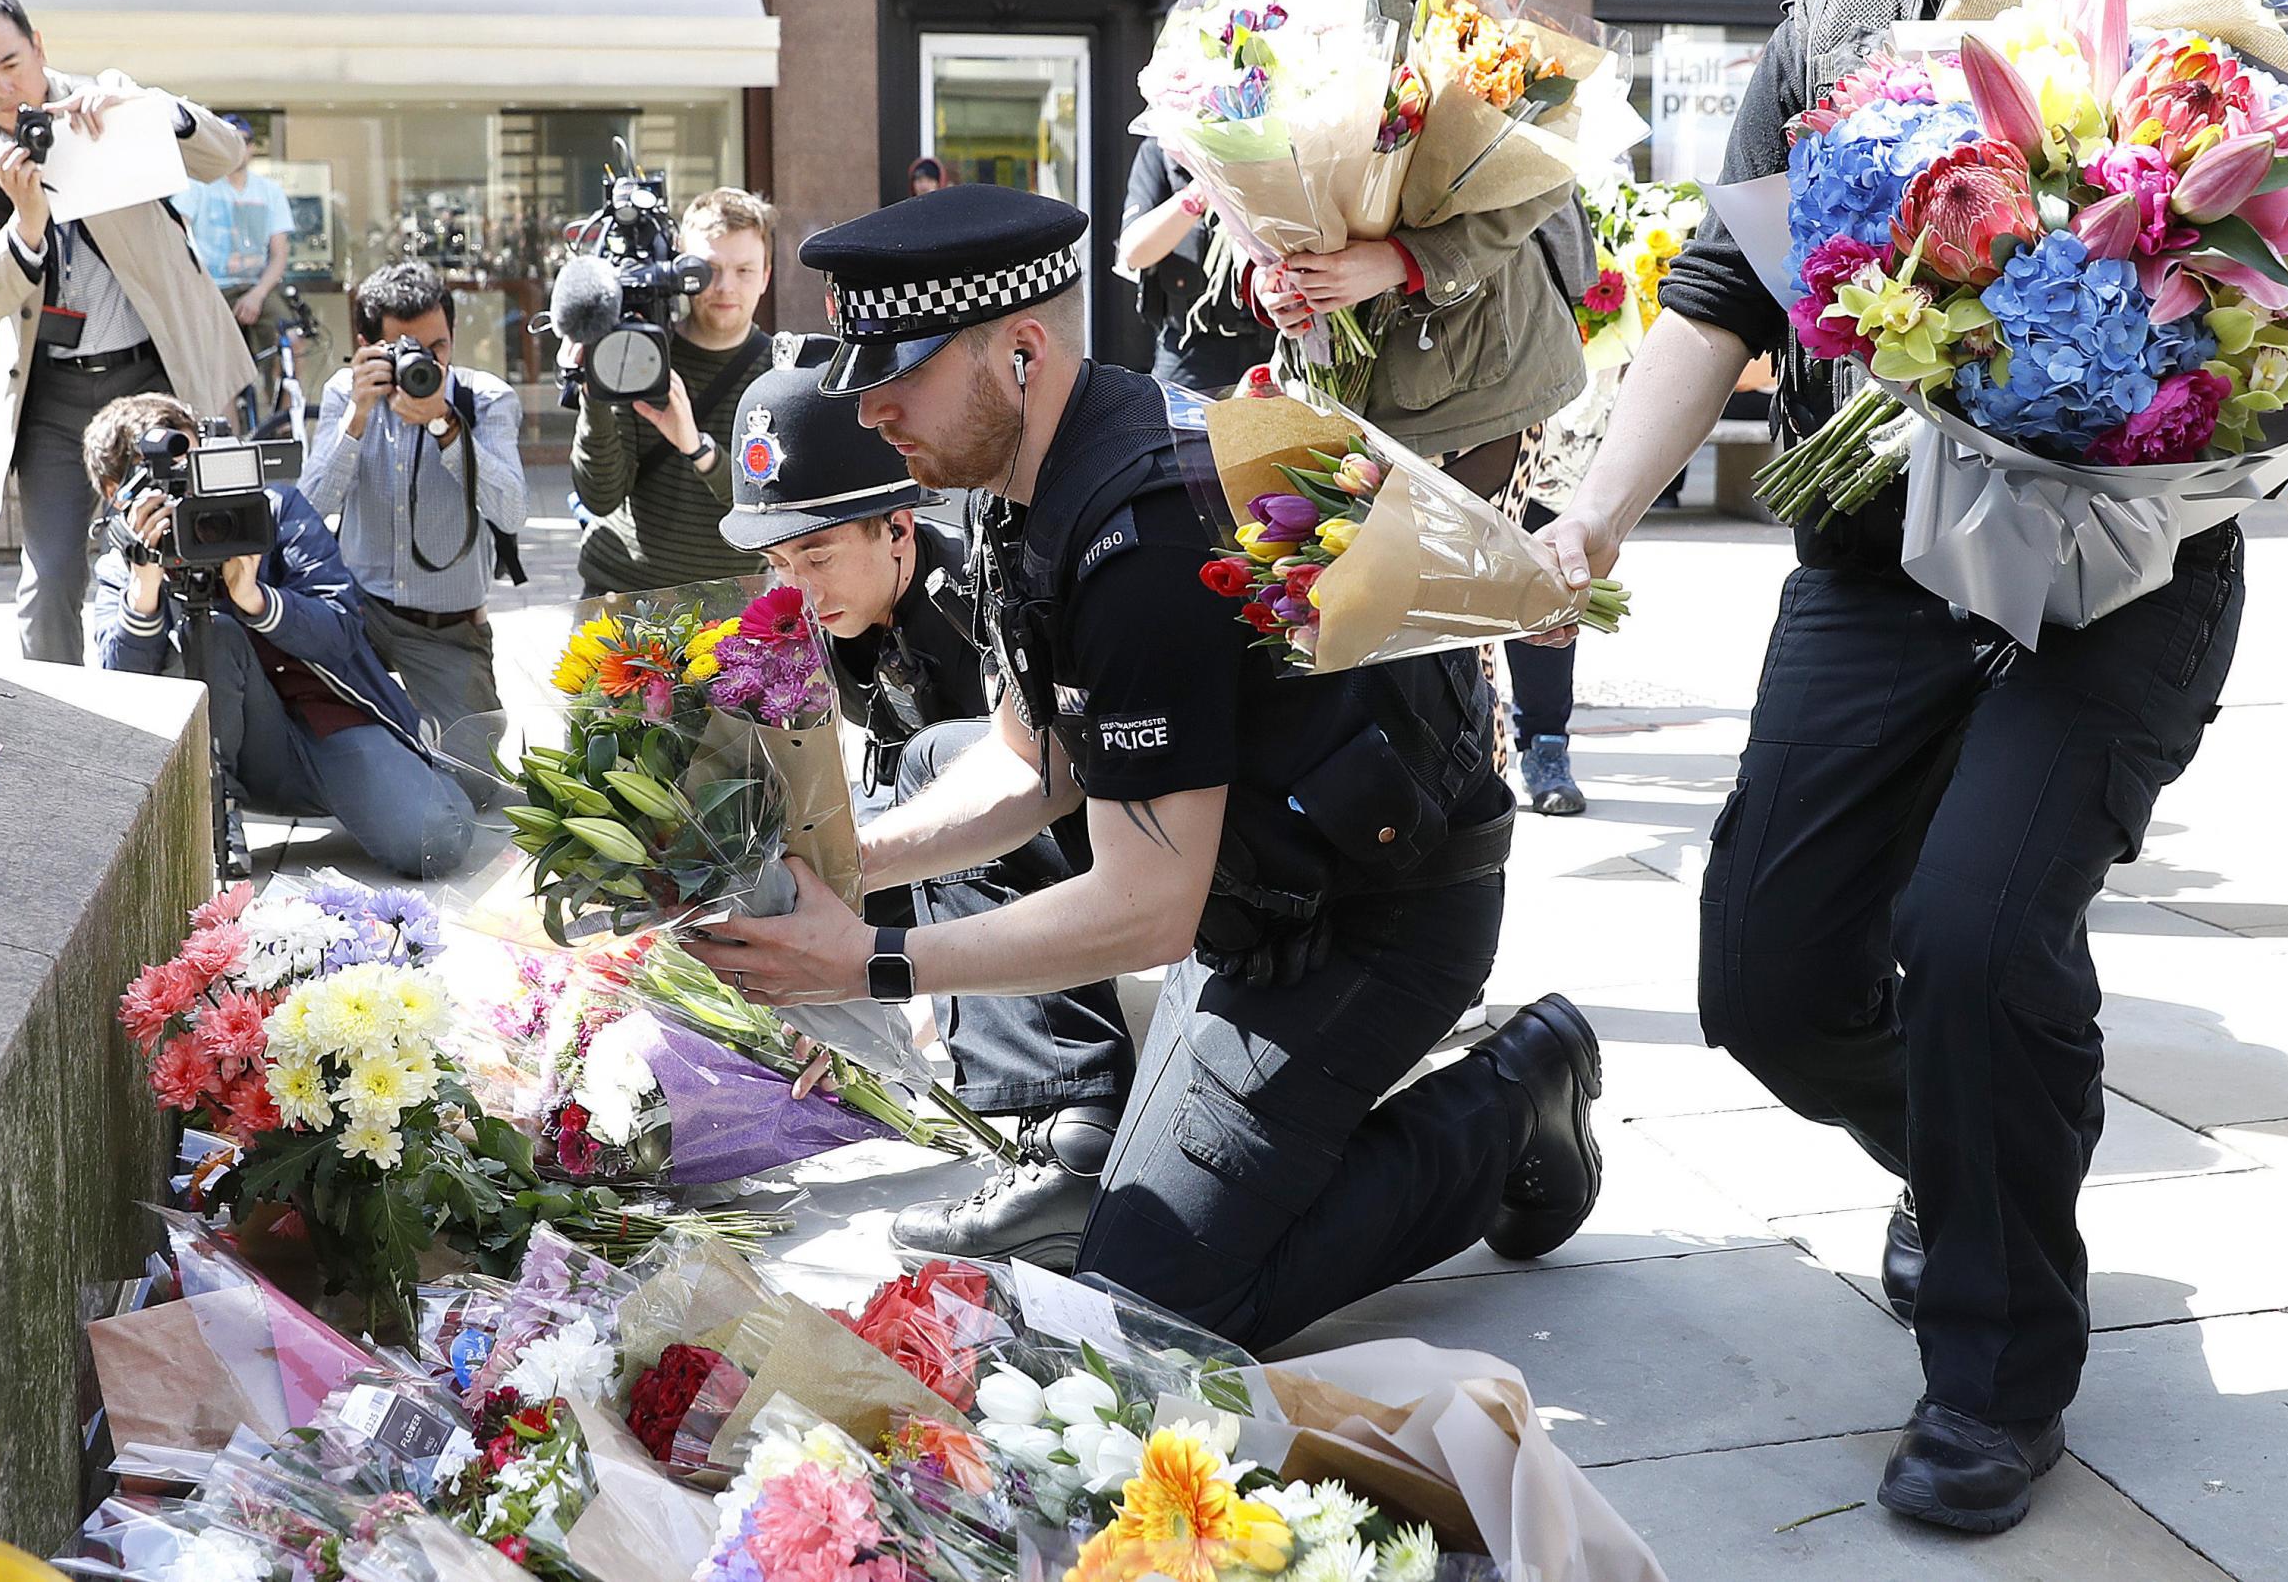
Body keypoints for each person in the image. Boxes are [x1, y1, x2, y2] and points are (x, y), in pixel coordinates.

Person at [1539, 0, 2209, 1538]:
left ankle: (1998, 1377)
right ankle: (1971, 1158)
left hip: (2124, 577)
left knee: (1984, 928)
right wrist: (1591, 513)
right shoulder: (1830, 25)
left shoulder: (2183, 1)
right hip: (1876, 562)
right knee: (1765, 981)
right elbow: (1717, 285)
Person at [681, 184, 1604, 1347]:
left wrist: (865, 966)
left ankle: (1517, 1098)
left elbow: (1147, 908)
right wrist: (843, 859)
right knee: (937, 761)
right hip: (1258, 891)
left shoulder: (1146, 529)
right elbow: (1029, 768)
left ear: (1018, 352)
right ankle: (1094, 1137)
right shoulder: (1036, 479)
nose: (870, 415)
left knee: (1159, 1308)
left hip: (1378, 919)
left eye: (893, 380)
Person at [1133, 0, 1585, 787]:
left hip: (1475, 380)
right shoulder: (1210, 8)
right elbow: (1232, 205)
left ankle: (1453, 854)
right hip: (1322, 378)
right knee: (1336, 653)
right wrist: (1262, 279)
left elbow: (1539, 159)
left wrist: (1400, 258)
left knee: (1427, 654)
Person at [717, 355, 1132, 1266]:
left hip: (1089, 839)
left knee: (939, 758)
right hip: (957, 851)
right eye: (781, 561)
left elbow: (1033, 780)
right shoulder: (824, 625)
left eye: (818, 554)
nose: (799, 589)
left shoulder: (969, 604)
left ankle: (1060, 1106)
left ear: (899, 528)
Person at [0, 0, 255, 664]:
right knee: (49, 583)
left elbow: (225, 156)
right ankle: (63, 747)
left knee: (199, 553)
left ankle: (210, 731)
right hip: (49, 397)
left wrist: (151, 109)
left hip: (154, 374)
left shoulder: (106, 100)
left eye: (11, 62)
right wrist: (25, 222)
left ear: (38, 44)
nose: (1, 86)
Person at [86, 392, 476, 879]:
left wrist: (258, 599)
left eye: (191, 466)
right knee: (217, 633)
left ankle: (410, 764)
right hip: (233, 755)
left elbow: (342, 628)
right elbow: (119, 695)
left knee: (436, 841)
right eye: (164, 477)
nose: (183, 492)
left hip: (328, 725)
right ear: (113, 490)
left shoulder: (273, 508)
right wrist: (144, 587)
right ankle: (213, 810)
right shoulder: (118, 564)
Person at [1448, 0, 1592, 818]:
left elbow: (1566, 237)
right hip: (1446, 377)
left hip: (1530, 374)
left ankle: (1539, 744)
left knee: (1535, 556)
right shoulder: (1430, 87)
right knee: (1460, 572)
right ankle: (1477, 753)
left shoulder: (1536, 94)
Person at [300, 260, 522, 752]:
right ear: (367, 347)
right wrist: (356, 419)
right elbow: (309, 511)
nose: (428, 361)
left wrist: (445, 426)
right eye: (409, 349)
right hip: (359, 611)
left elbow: (511, 512)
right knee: (337, 751)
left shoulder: (486, 399)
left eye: (438, 346)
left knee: (476, 781)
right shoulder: (345, 394)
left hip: (447, 626)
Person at [572, 185, 776, 596]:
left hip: (729, 608)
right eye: (708, 269)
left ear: (766, 276)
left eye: (744, 271)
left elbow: (767, 507)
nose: (725, 287)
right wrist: (595, 385)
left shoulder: (779, 373)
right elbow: (599, 496)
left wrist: (696, 449)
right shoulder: (636, 354)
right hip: (619, 597)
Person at [1116, 136, 1267, 397]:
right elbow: (1134, 252)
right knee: (1178, 436)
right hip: (1190, 349)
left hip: (1275, 345)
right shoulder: (1160, 151)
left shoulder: (1275, 146)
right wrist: (1205, 186)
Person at [176, 115, 292, 338]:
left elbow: (280, 254)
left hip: (257, 285)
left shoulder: (270, 191)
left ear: (253, 148)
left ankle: (284, 375)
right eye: (231, 141)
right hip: (211, 287)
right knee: (209, 345)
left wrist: (257, 294)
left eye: (244, 141)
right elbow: (177, 234)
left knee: (293, 339)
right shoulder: (198, 184)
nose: (238, 148)